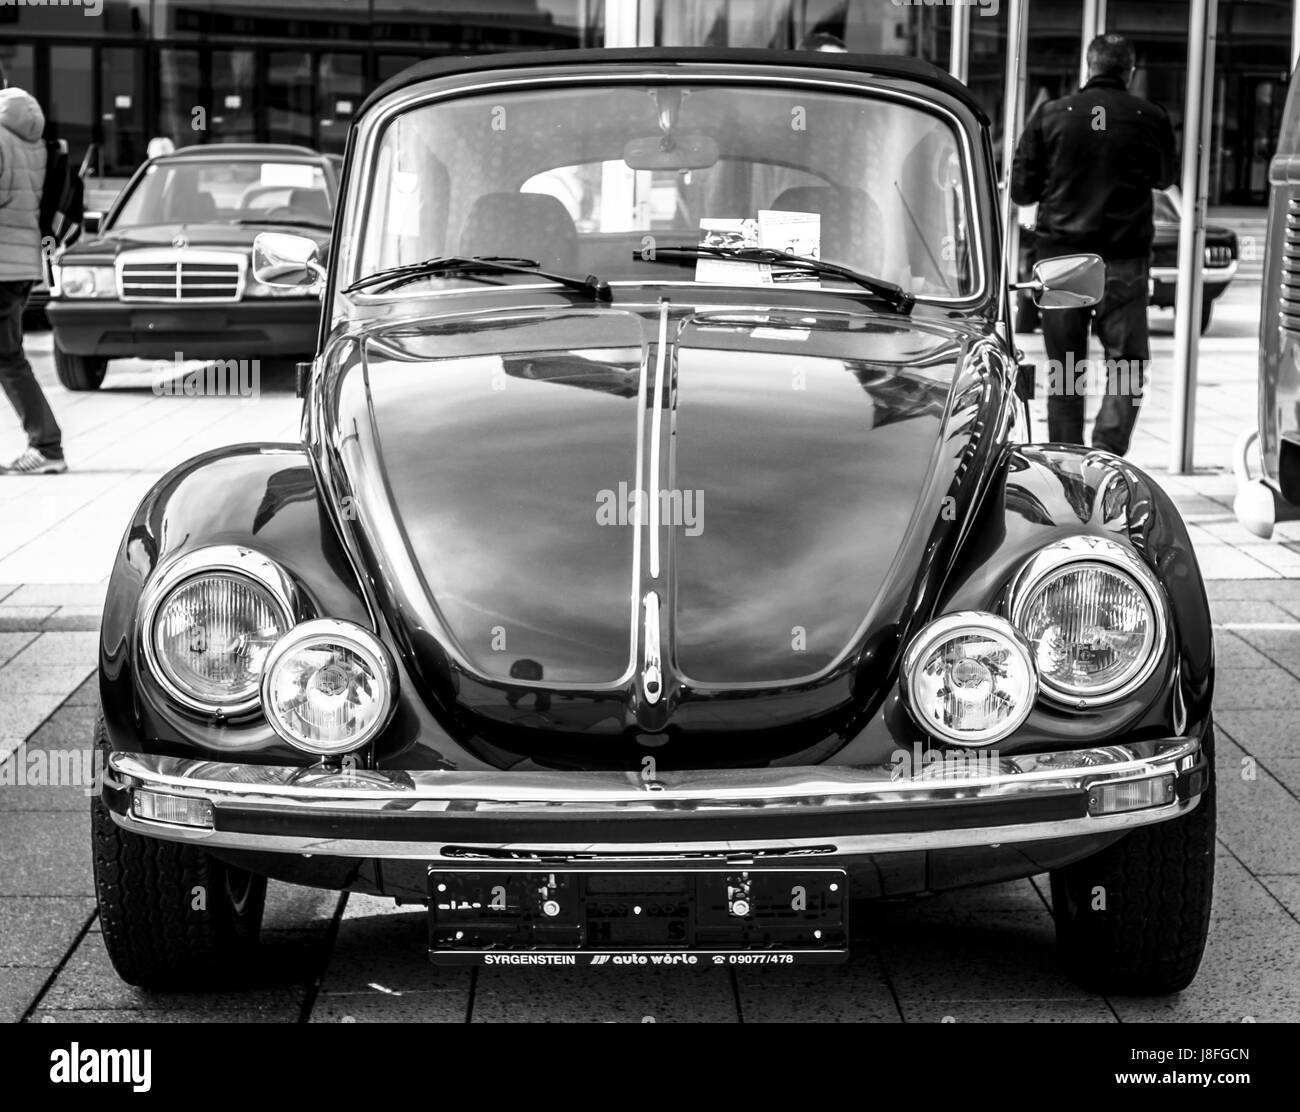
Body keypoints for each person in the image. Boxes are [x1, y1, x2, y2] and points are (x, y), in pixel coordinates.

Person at [1011, 34, 1178, 456]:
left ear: (1088, 66)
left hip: (1061, 263)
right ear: (1131, 70)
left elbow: (1022, 191)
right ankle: (1107, 452)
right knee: (1128, 366)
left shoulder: (1050, 116)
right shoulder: (1149, 115)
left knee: (1067, 367)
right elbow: (1164, 177)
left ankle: (1067, 458)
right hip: (1123, 262)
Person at [0, 60, 65, 474]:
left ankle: (47, 446)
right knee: (9, 355)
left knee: (9, 358)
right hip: (22, 263)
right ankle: (46, 444)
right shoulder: (35, 141)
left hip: (2, 266)